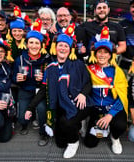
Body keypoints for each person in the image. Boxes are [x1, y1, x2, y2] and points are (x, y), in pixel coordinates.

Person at [26, 29, 93, 158]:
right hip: (61, 104)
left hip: (80, 102)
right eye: (60, 45)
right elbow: (43, 90)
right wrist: (30, 107)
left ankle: (74, 142)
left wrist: (83, 94)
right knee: (60, 143)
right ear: (55, 47)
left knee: (67, 122)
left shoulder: (78, 64)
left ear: (70, 49)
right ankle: (76, 125)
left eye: (66, 46)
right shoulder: (50, 68)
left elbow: (89, 83)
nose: (63, 48)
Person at [83, 29, 128, 155]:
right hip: (96, 109)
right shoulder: (88, 69)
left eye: (106, 52)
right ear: (95, 54)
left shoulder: (117, 72)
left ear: (111, 55)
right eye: (99, 52)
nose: (102, 55)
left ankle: (115, 138)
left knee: (120, 125)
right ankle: (94, 124)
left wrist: (110, 115)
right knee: (89, 144)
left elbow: (122, 97)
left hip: (113, 108)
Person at [12, 22, 51, 135]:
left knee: (42, 110)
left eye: (37, 43)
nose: (34, 46)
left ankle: (43, 132)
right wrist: (16, 78)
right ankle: (26, 123)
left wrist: (44, 78)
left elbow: (51, 77)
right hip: (25, 90)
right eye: (31, 43)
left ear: (41, 45)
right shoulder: (20, 59)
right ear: (27, 44)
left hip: (40, 91)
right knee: (22, 119)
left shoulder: (46, 59)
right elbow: (13, 77)